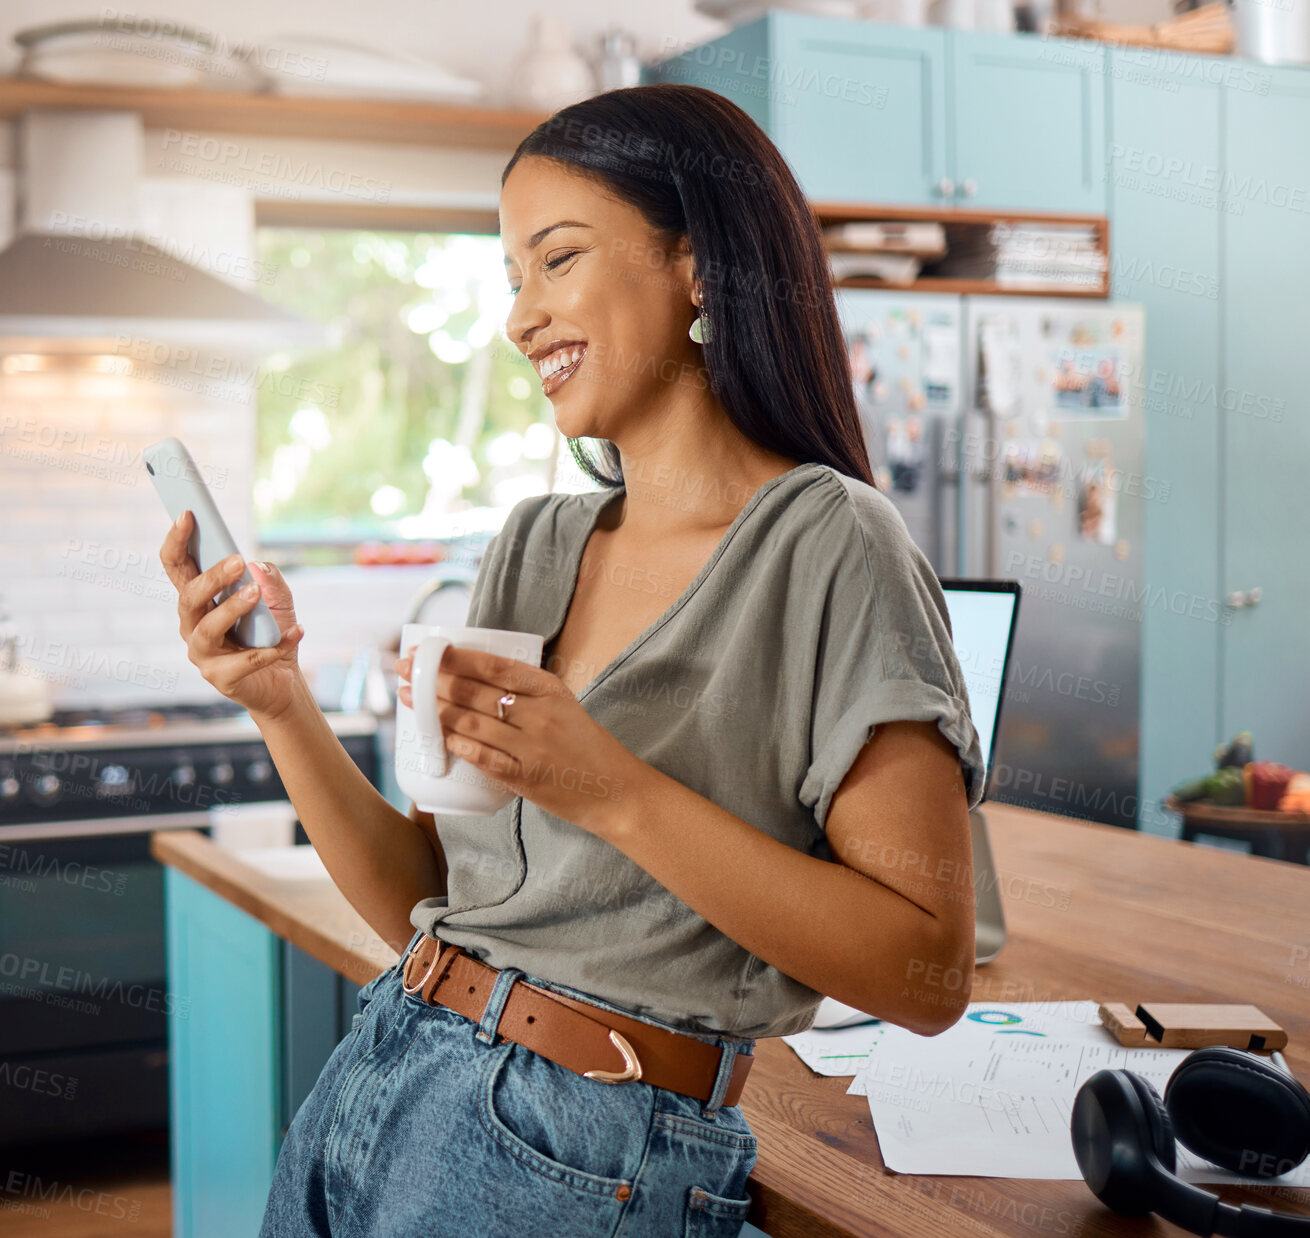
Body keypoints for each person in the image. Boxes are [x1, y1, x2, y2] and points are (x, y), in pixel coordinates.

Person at [159, 83, 986, 1238]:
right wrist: (279, 702)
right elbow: (427, 904)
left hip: (569, 1149)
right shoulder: (533, 546)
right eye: (511, 278)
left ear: (698, 265)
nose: (519, 318)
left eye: (557, 260)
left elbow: (928, 973)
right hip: (385, 1073)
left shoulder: (831, 543)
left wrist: (609, 787)